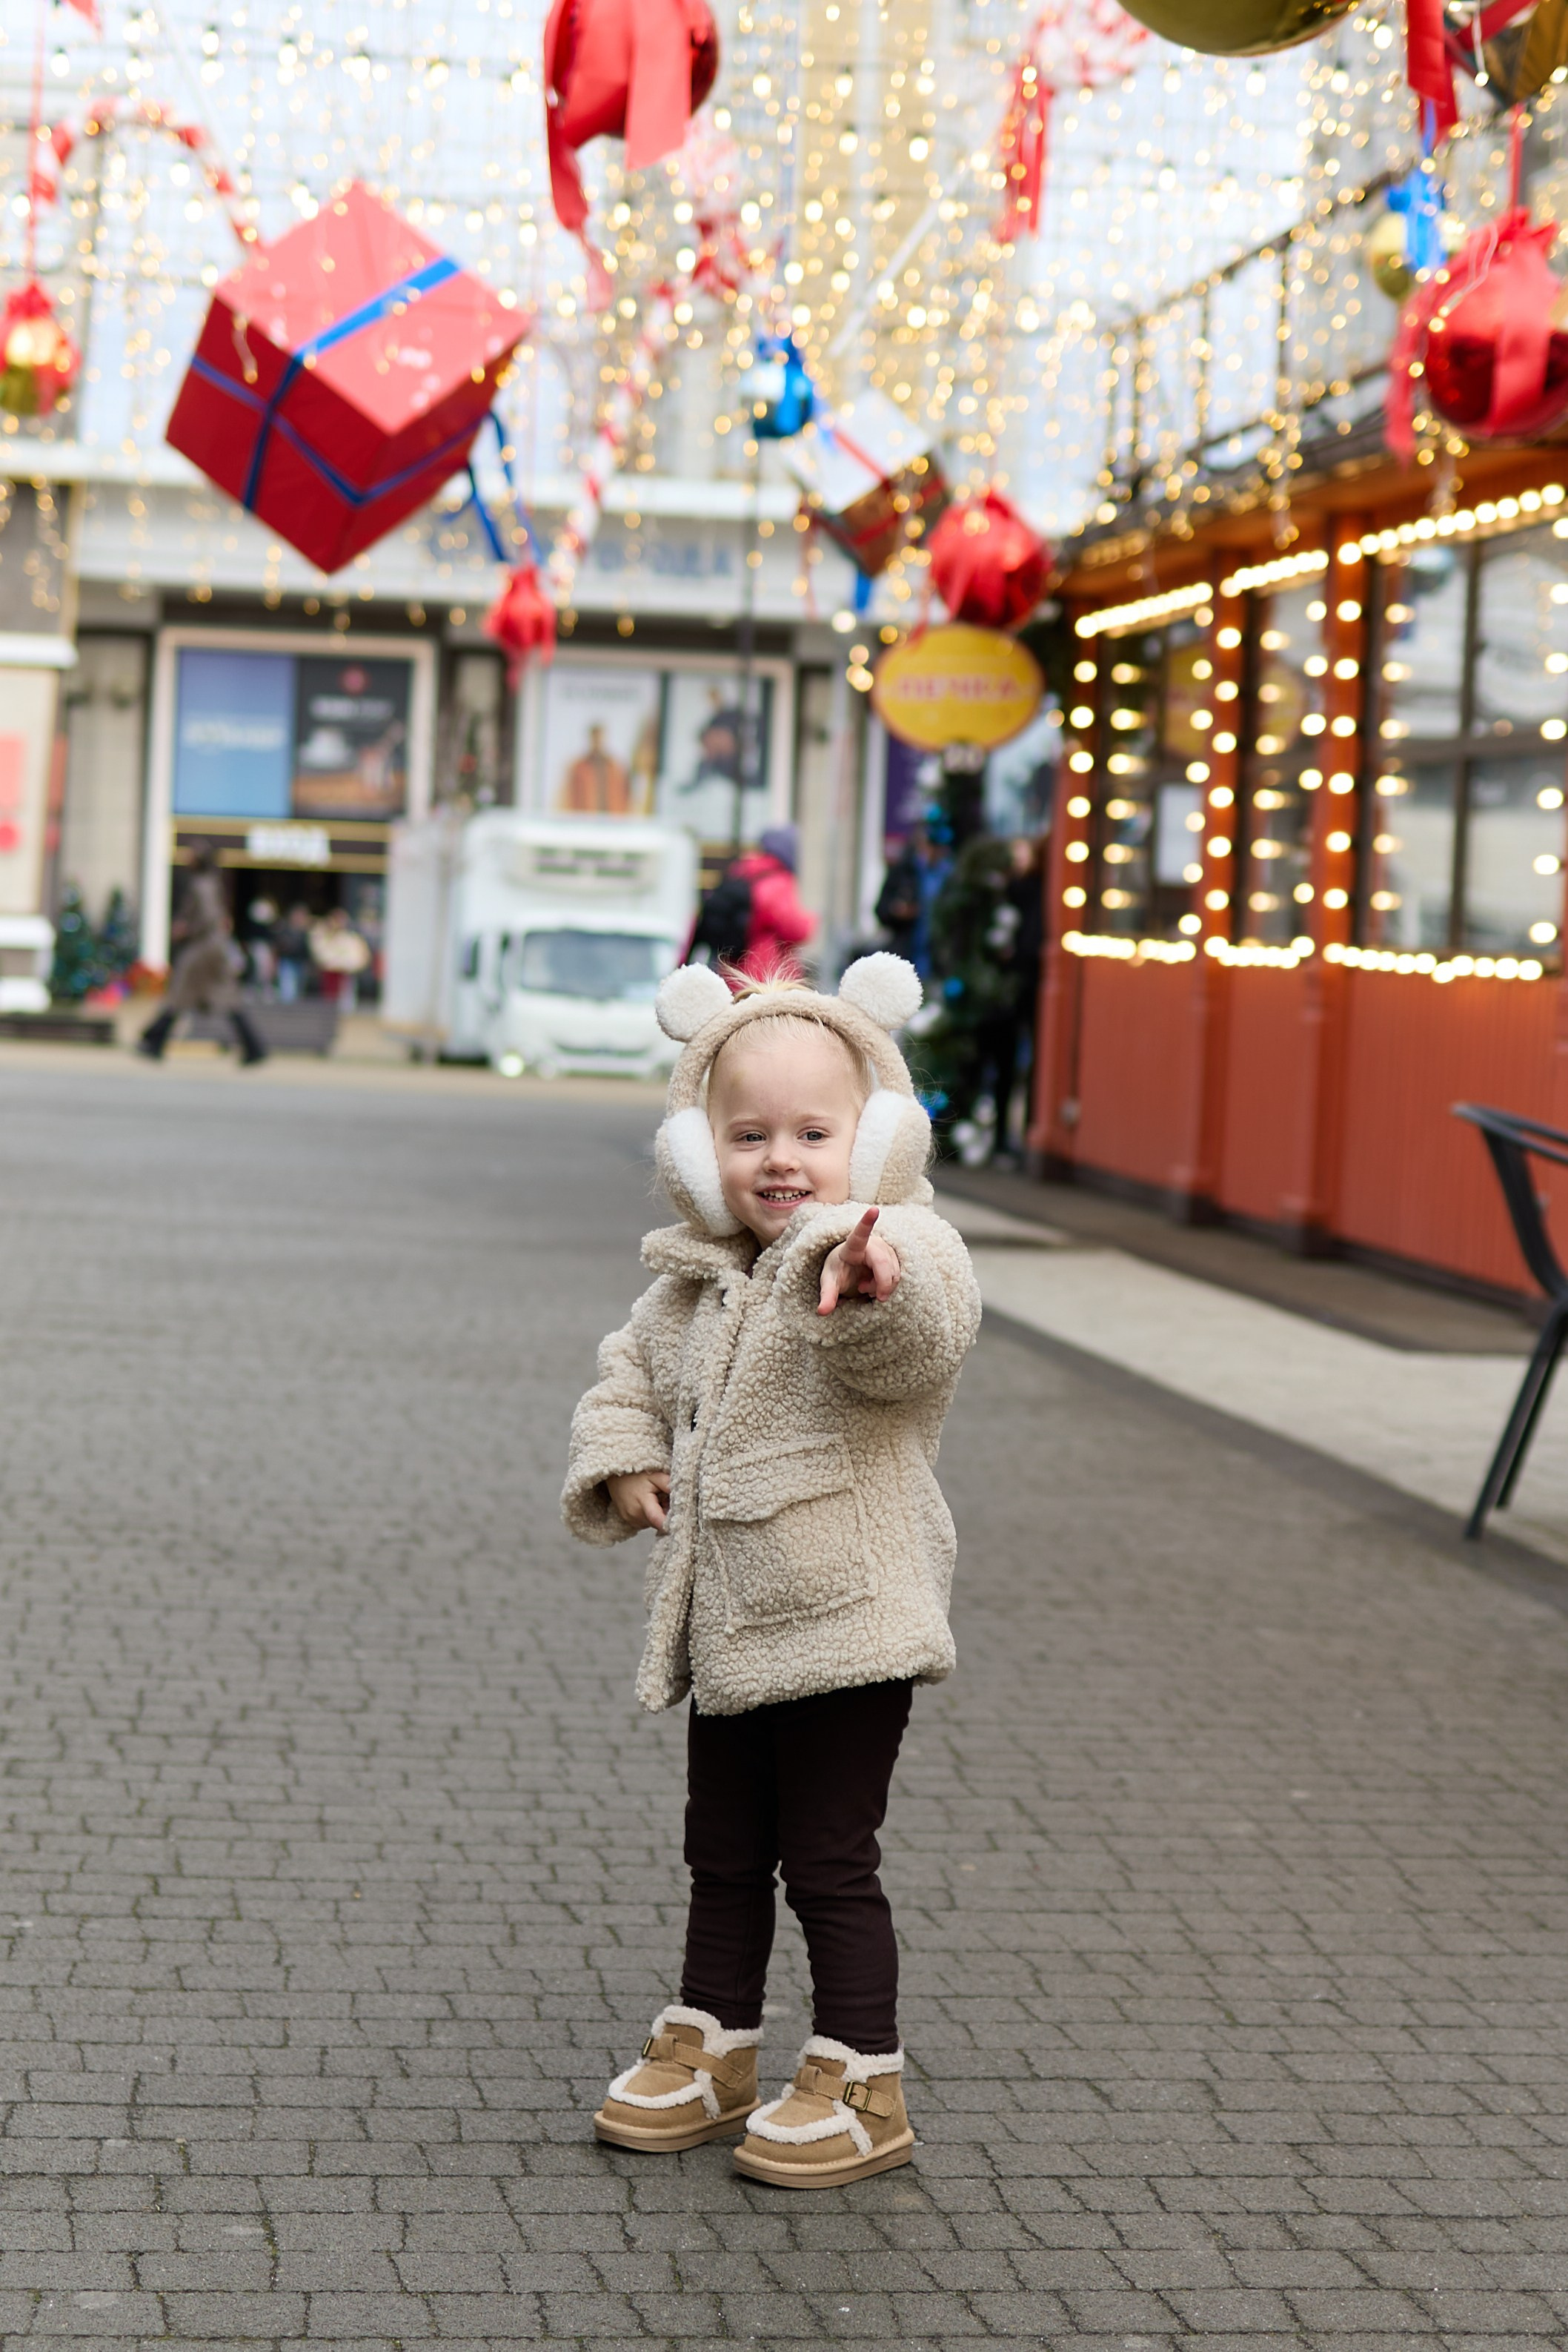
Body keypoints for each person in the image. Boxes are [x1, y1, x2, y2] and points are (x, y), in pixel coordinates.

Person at [562, 954, 980, 2187]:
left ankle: (863, 2072)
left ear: (879, 1140)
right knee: (725, 1847)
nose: (779, 1159)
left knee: (830, 1856)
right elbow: (627, 1371)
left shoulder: (900, 1247)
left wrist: (873, 1284)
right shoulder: (694, 1279)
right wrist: (629, 1452)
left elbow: (922, 1342)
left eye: (814, 1131)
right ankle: (713, 2041)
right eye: (748, 1134)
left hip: (853, 1621)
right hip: (733, 1626)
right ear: (700, 1152)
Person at [138, 848, 268, 1064]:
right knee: (216, 999)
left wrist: (186, 929)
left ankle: (154, 1039)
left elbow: (208, 918)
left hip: (204, 951)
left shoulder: (203, 885)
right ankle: (154, 1040)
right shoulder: (209, 883)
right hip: (209, 950)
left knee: (185, 996)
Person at [692, 824, 815, 983]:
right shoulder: (778, 881)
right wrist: (812, 920)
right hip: (764, 973)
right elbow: (795, 929)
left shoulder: (743, 870)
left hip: (732, 968)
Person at [309, 906, 371, 1012]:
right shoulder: (324, 935)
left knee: (345, 1000)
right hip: (330, 972)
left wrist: (347, 964)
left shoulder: (352, 938)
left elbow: (359, 956)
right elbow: (320, 952)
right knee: (329, 999)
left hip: (346, 973)